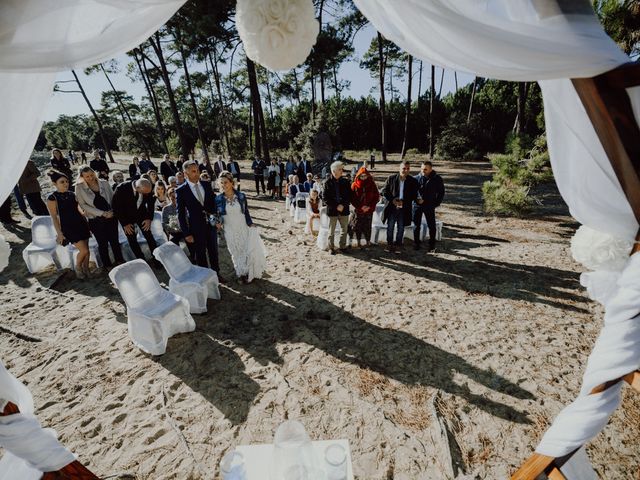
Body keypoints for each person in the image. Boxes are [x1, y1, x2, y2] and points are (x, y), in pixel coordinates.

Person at [215, 171, 266, 283]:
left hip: (242, 226)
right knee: (234, 251)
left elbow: (246, 211)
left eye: (226, 182)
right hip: (229, 228)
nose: (223, 185)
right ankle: (240, 273)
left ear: (232, 183)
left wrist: (250, 223)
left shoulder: (241, 196)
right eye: (221, 183)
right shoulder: (218, 199)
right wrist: (217, 223)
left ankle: (247, 273)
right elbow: (217, 215)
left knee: (244, 249)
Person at [75, 166, 125, 270]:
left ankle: (119, 260)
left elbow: (112, 198)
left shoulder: (104, 183)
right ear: (82, 177)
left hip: (111, 216)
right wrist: (102, 213)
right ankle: (107, 265)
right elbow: (83, 205)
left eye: (92, 175)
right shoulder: (79, 187)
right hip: (95, 219)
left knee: (114, 240)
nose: (90, 178)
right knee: (102, 243)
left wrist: (112, 211)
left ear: (94, 173)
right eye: (87, 176)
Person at [176, 160, 220, 274]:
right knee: (201, 254)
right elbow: (180, 214)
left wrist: (217, 219)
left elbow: (213, 204)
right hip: (195, 228)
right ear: (186, 174)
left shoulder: (206, 184)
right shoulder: (181, 191)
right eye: (193, 171)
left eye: (198, 170)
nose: (197, 173)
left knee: (213, 251)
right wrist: (186, 233)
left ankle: (217, 273)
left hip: (211, 225)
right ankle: (205, 277)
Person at [46, 170, 91, 278]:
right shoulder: (52, 198)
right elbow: (54, 217)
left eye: (66, 181)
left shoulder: (72, 194)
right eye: (62, 182)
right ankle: (78, 267)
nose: (66, 184)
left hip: (81, 223)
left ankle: (86, 269)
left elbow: (78, 209)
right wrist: (60, 233)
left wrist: (85, 215)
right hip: (68, 227)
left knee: (87, 250)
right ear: (54, 184)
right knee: (83, 250)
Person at [112, 177, 158, 264]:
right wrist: (125, 224)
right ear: (137, 188)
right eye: (145, 193)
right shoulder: (121, 188)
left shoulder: (147, 186)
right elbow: (116, 207)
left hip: (141, 214)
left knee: (149, 235)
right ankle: (142, 260)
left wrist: (149, 218)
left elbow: (151, 203)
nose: (147, 195)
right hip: (126, 217)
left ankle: (156, 258)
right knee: (131, 238)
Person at [381, 161, 419, 252]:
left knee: (401, 227)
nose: (406, 170)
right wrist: (393, 200)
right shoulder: (391, 178)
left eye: (408, 168)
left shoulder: (412, 181)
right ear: (399, 169)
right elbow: (384, 191)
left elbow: (414, 195)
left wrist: (404, 202)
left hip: (404, 208)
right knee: (390, 226)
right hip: (392, 207)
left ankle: (398, 244)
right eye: (404, 168)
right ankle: (389, 244)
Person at [414, 161, 445, 251]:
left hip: (430, 205)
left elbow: (441, 192)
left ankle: (432, 244)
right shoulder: (415, 178)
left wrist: (436, 203)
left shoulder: (437, 179)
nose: (423, 171)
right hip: (417, 205)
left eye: (425, 169)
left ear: (431, 169)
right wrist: (416, 200)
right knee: (416, 225)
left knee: (431, 225)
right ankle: (416, 243)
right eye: (422, 169)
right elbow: (411, 192)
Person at [321, 161, 351, 254]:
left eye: (342, 169)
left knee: (344, 230)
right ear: (334, 171)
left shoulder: (345, 181)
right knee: (331, 231)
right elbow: (325, 198)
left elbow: (349, 196)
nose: (342, 171)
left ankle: (342, 246)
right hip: (332, 210)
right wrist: (336, 206)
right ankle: (331, 247)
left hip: (344, 209)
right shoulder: (327, 182)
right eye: (340, 169)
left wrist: (343, 205)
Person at [349, 166, 379, 248]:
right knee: (357, 226)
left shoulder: (372, 184)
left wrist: (369, 206)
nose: (363, 177)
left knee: (367, 226)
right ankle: (358, 242)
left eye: (365, 176)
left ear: (368, 176)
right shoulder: (354, 185)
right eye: (362, 176)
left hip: (369, 210)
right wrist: (360, 207)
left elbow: (376, 196)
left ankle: (367, 242)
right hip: (358, 210)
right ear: (358, 176)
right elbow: (352, 198)